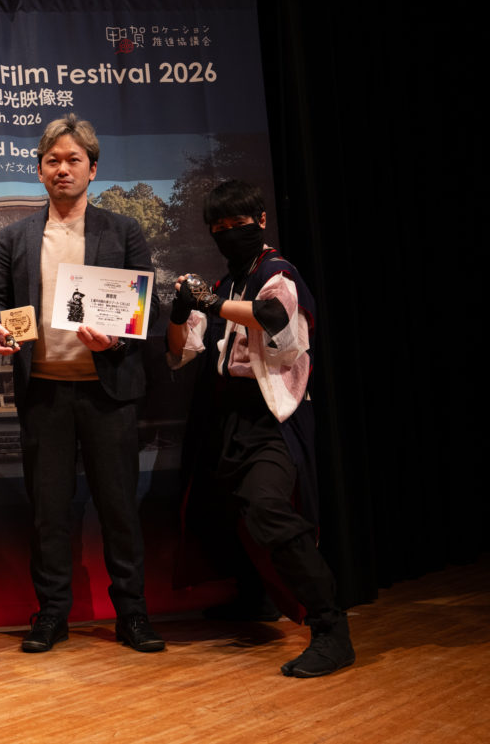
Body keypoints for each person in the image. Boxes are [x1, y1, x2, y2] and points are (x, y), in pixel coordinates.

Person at [0, 114, 164, 653]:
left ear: (93, 169)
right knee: (49, 512)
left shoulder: (122, 230)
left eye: (73, 160)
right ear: (39, 170)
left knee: (119, 508)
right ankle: (52, 613)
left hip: (109, 393)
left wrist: (116, 341)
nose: (63, 169)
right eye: (52, 161)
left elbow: (147, 306)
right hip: (44, 392)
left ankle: (132, 614)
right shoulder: (16, 235)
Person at [166, 179, 355, 677]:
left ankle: (331, 629)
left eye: (239, 223)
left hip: (272, 414)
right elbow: (181, 352)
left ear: (262, 221)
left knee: (267, 505)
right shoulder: (226, 284)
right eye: (220, 227)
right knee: (224, 508)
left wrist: (207, 303)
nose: (230, 233)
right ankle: (256, 597)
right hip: (222, 413)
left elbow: (274, 318)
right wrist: (181, 311)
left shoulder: (277, 274)